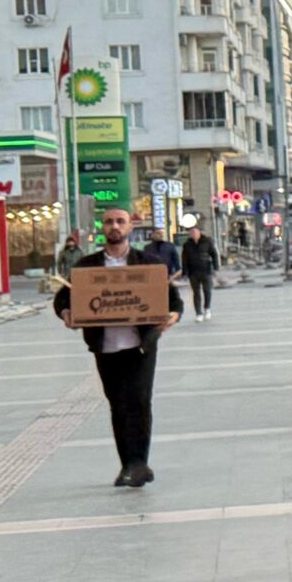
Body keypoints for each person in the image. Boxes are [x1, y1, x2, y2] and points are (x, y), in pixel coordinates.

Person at [52, 205, 184, 488]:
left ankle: (137, 464)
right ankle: (130, 463)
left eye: (120, 221)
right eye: (109, 222)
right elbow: (63, 299)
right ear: (103, 228)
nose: (114, 226)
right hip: (105, 347)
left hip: (141, 346)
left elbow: (173, 302)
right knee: (118, 405)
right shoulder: (86, 268)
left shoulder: (147, 264)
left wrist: (172, 317)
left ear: (130, 227)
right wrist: (67, 315)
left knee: (139, 402)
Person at [178, 222, 219, 322]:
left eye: (195, 232)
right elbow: (184, 259)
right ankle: (198, 313)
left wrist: (215, 267)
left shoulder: (207, 241)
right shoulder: (187, 245)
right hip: (193, 271)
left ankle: (207, 309)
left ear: (199, 232)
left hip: (206, 270)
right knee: (196, 293)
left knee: (207, 290)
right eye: (191, 232)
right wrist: (185, 273)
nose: (193, 234)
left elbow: (214, 254)